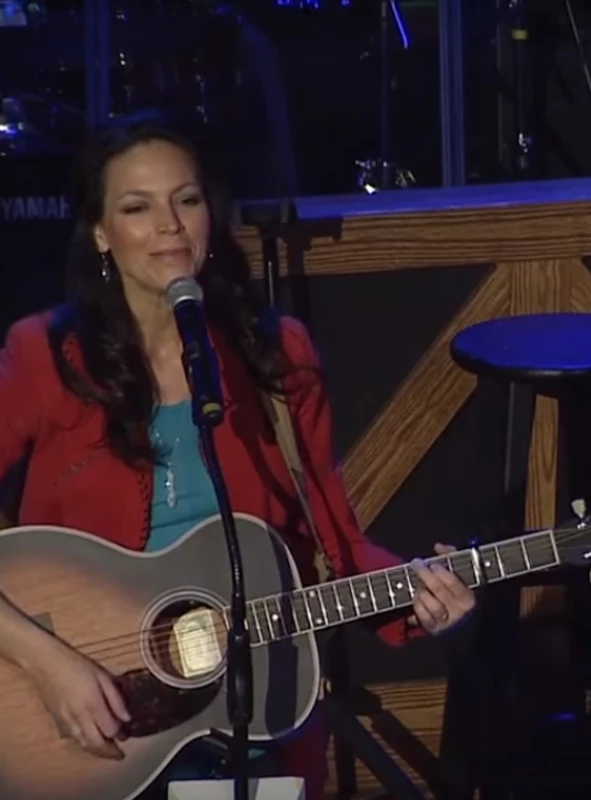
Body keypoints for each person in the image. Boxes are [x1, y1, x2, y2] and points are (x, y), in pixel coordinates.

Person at [0, 113, 476, 797]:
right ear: (101, 233)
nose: (170, 224)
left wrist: (419, 594)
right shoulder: (44, 357)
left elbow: (337, 545)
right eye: (138, 207)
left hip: (243, 721)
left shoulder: (276, 354)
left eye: (186, 200)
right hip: (78, 714)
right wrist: (47, 662)